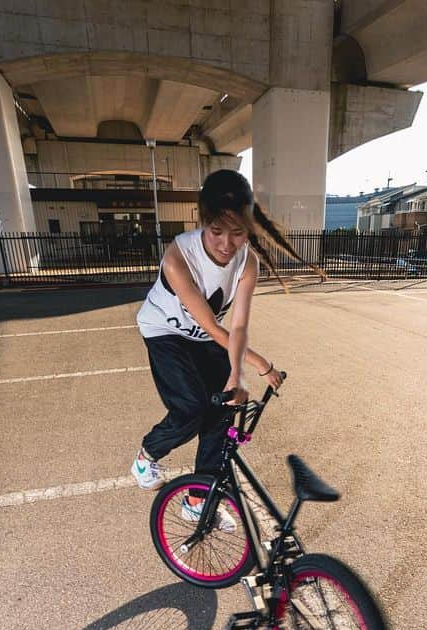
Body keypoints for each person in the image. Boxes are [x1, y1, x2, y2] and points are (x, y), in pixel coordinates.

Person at [130, 169, 318, 526]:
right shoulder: (178, 257)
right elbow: (215, 328)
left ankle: (198, 500)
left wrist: (236, 375)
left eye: (238, 232)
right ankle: (146, 455)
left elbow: (240, 324)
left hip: (204, 337)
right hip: (164, 332)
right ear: (203, 222)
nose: (226, 244)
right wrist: (259, 364)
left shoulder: (248, 261)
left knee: (223, 411)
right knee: (192, 407)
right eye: (217, 231)